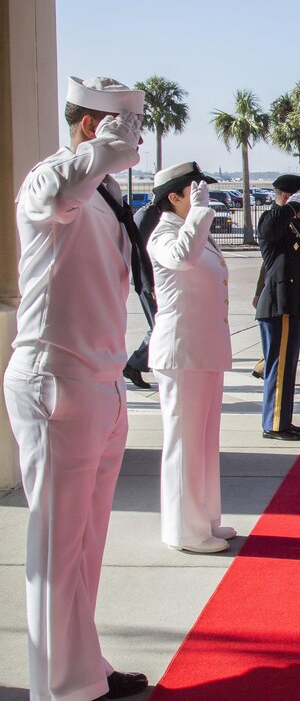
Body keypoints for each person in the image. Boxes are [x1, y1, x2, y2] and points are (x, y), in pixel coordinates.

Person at [3, 76, 149, 700]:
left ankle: (82, 668)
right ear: (96, 126)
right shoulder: (53, 179)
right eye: (131, 124)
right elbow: (63, 189)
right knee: (56, 548)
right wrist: (106, 148)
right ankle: (56, 688)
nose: (140, 137)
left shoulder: (106, 193)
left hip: (101, 384)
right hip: (56, 383)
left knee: (85, 549)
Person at [146, 161, 236, 555]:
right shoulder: (163, 235)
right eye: (195, 194)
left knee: (204, 441)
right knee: (184, 444)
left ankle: (206, 519)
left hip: (203, 349)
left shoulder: (193, 231)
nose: (204, 200)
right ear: (174, 198)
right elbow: (182, 257)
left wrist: (197, 215)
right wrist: (198, 214)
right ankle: (185, 530)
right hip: (181, 352)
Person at [256, 174, 300, 440]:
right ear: (286, 195)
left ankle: (283, 420)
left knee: (287, 369)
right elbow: (270, 231)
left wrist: (296, 213)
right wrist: (289, 207)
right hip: (278, 305)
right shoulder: (271, 218)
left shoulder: (296, 226)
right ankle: (274, 424)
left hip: (292, 304)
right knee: (278, 367)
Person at [252, 202, 300, 392]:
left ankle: (262, 367)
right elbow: (268, 270)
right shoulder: (286, 232)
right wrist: (258, 294)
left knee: (288, 341)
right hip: (289, 298)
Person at [123, 201, 161, 389]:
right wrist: (150, 284)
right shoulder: (149, 215)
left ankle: (138, 364)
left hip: (155, 282)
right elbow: (140, 252)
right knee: (160, 326)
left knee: (159, 326)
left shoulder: (153, 212)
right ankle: (135, 364)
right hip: (150, 283)